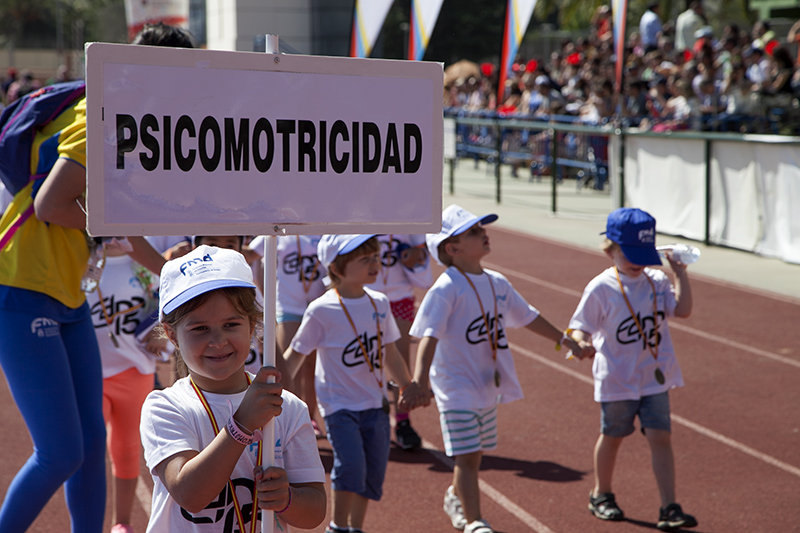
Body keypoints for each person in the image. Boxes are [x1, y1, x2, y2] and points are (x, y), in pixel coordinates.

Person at [0, 22, 192, 532]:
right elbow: (51, 204)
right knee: (60, 453)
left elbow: (111, 225)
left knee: (87, 447)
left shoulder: (127, 114)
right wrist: (115, 227)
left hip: (65, 292)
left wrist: (177, 274)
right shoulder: (104, 112)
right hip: (21, 284)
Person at [410, 205, 593, 533]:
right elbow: (429, 337)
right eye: (475, 232)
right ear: (453, 249)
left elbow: (529, 317)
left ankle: (455, 495)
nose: (484, 234)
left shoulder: (497, 282)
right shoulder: (446, 287)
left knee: (474, 453)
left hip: (486, 384)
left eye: (482, 229)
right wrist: (419, 382)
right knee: (466, 457)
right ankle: (475, 521)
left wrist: (567, 342)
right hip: (455, 386)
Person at [140, 245, 327, 531]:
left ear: (253, 326)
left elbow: (315, 512)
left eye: (231, 324)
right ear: (171, 334)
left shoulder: (287, 407)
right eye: (200, 328)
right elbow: (190, 495)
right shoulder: (165, 407)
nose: (218, 341)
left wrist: (287, 499)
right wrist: (241, 425)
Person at [282, 234, 430, 533]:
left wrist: (407, 385)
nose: (375, 264)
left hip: (375, 404)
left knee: (372, 473)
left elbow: (389, 351)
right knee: (350, 466)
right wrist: (273, 389)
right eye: (365, 259)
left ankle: (356, 527)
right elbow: (294, 357)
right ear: (336, 268)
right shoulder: (321, 310)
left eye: (375, 256)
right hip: (339, 406)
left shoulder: (380, 302)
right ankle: (337, 526)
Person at [566, 207, 697, 532]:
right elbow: (579, 326)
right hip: (618, 379)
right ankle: (602, 493)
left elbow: (681, 310)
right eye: (629, 254)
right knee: (612, 435)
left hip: (655, 376)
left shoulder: (656, 280)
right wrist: (580, 343)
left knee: (661, 437)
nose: (637, 262)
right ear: (610, 248)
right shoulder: (601, 287)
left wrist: (680, 273)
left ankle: (669, 506)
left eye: (643, 254)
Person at [87, 239, 166, 533]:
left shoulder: (146, 266)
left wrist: (161, 333)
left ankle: (121, 522)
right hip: (89, 373)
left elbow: (169, 309)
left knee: (127, 449)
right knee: (89, 449)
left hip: (136, 371)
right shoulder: (84, 260)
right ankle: (86, 523)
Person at [250, 233, 327, 437]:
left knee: (311, 368)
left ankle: (309, 418)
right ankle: (284, 417)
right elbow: (250, 253)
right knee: (286, 367)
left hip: (319, 308)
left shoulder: (326, 233)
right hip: (288, 307)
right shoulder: (282, 231)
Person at [367, 234, 432, 449]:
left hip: (399, 298)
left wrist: (415, 260)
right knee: (366, 360)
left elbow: (425, 280)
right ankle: (368, 418)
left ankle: (403, 421)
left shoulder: (409, 223)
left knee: (401, 360)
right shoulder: (360, 216)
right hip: (364, 297)